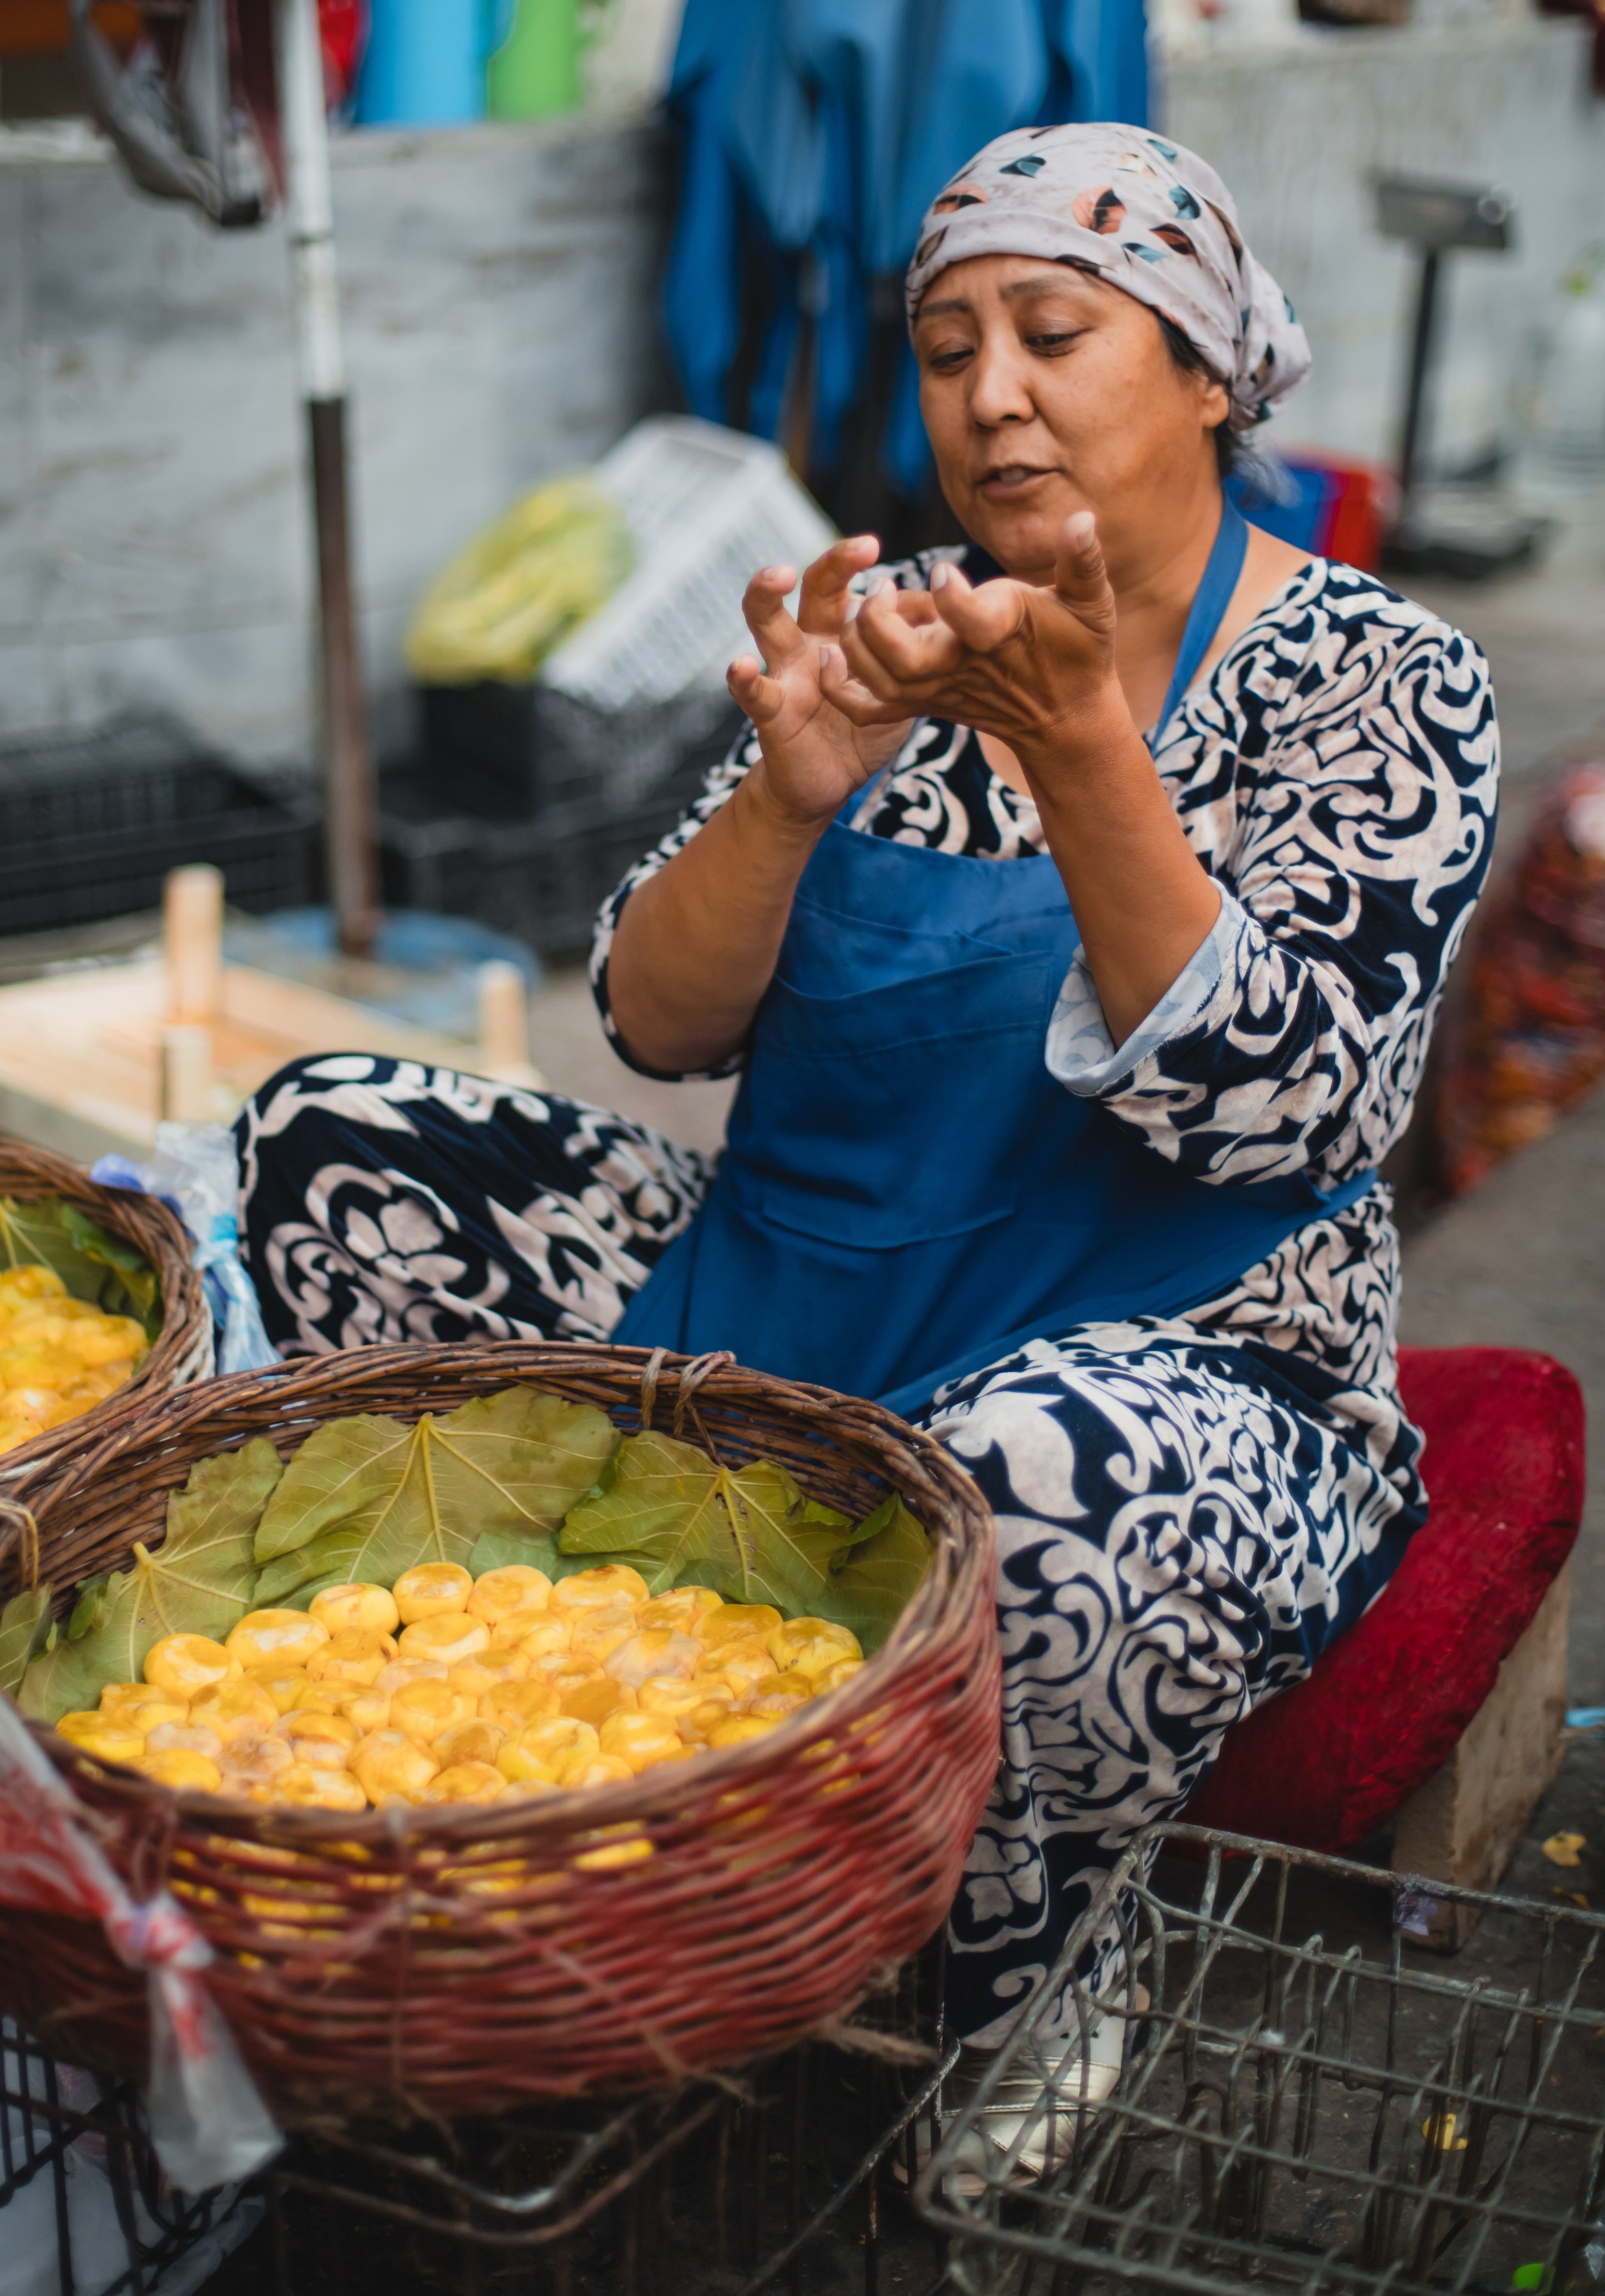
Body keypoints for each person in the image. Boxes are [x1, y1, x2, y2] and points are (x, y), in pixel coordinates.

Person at [238, 123, 1497, 2147]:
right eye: (945, 344)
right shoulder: (904, 621)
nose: (988, 390)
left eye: (1054, 331)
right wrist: (794, 786)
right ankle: (510, 1754)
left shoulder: (1380, 681)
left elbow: (1297, 1110)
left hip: (1179, 1375)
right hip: (793, 1307)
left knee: (1021, 1481)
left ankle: (1026, 1968)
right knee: (332, 1143)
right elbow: (654, 1016)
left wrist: (1085, 751)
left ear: (1205, 368)